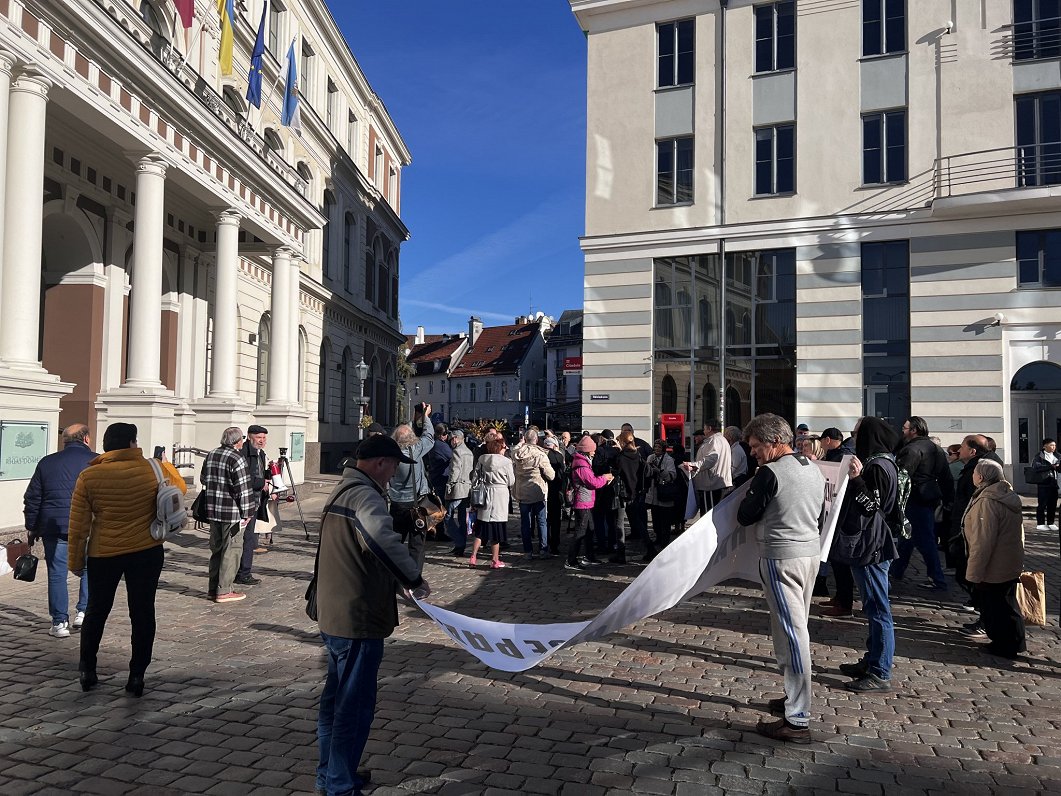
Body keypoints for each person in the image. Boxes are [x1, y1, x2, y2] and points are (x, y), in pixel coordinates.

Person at [315, 435, 430, 796]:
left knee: (335, 703)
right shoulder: (364, 495)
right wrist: (412, 577)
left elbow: (360, 552)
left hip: (335, 612)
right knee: (353, 705)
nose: (395, 474)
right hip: (356, 616)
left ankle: (333, 772)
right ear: (380, 462)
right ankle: (339, 783)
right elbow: (381, 540)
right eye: (394, 466)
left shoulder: (344, 489)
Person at [67, 422, 187, 697]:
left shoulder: (89, 476)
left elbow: (79, 526)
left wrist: (75, 562)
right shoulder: (152, 468)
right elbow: (179, 489)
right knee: (143, 612)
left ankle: (87, 669)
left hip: (104, 553)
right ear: (133, 443)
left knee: (97, 611)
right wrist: (165, 464)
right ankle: (137, 675)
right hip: (145, 551)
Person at [737, 414, 825, 743]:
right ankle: (793, 700)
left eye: (756, 446)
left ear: (775, 442)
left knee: (791, 632)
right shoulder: (811, 467)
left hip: (780, 556)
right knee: (790, 627)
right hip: (808, 553)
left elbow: (746, 516)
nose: (753, 452)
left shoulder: (770, 473)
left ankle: (798, 718)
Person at [831, 417, 900, 692]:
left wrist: (857, 479)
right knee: (872, 607)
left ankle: (880, 671)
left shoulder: (879, 466)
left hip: (871, 545)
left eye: (857, 433)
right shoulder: (881, 461)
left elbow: (872, 506)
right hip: (870, 542)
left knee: (878, 608)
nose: (853, 437)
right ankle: (872, 660)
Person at [23, 423, 95, 638]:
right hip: (89, 526)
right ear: (87, 439)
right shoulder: (96, 461)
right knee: (90, 570)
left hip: (54, 526)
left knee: (57, 574)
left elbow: (33, 498)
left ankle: (59, 623)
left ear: (65, 442)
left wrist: (32, 526)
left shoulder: (47, 463)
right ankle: (83, 612)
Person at [962, 459, 1026, 659]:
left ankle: (1005, 644)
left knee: (998, 606)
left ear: (981, 477)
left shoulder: (988, 500)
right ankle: (1013, 642)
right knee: (1005, 604)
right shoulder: (1003, 493)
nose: (972, 475)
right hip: (1006, 560)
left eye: (974, 472)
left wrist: (974, 572)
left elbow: (983, 540)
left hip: (994, 564)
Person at [891, 416, 953, 592]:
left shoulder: (912, 449)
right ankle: (897, 571)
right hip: (929, 498)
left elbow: (902, 478)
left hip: (915, 499)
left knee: (925, 540)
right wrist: (948, 500)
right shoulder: (936, 449)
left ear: (914, 430)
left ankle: (937, 579)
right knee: (907, 538)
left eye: (904, 427)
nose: (902, 430)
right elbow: (946, 478)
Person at [201, 427, 258, 603]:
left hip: (213, 510)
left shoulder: (211, 454)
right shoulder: (237, 458)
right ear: (237, 441)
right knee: (231, 550)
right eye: (241, 439)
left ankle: (213, 588)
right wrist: (248, 512)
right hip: (231, 513)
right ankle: (224, 590)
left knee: (216, 550)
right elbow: (243, 489)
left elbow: (203, 479)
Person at [388, 404, 435, 567]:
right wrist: (425, 417)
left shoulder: (390, 454)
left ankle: (394, 576)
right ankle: (413, 579)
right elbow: (429, 436)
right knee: (416, 546)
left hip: (396, 504)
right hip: (415, 506)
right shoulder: (415, 451)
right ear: (412, 439)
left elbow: (403, 434)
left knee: (395, 543)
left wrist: (416, 417)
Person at [566, 435, 614, 570]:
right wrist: (604, 478)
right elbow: (592, 482)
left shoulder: (584, 462)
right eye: (592, 450)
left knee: (589, 530)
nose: (594, 452)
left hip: (587, 501)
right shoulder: (582, 465)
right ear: (587, 450)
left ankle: (589, 556)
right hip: (583, 502)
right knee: (581, 531)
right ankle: (571, 560)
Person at [469, 436, 514, 568]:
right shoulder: (506, 462)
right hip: (500, 495)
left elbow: (475, 477)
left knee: (481, 529)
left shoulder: (482, 460)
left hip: (485, 494)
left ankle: (473, 556)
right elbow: (511, 481)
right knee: (497, 529)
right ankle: (495, 559)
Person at [510, 428, 555, 559]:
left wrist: (521, 443)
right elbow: (551, 475)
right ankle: (543, 549)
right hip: (537, 492)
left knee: (525, 523)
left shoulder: (517, 453)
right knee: (542, 522)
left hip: (522, 492)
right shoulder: (540, 454)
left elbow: (514, 450)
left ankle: (527, 551)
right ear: (536, 439)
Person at [236, 424, 271, 587]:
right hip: (245, 502)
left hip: (256, 500)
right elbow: (245, 478)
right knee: (246, 539)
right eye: (259, 438)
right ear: (249, 437)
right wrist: (261, 483)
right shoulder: (243, 453)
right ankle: (243, 572)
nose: (262, 441)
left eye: (264, 438)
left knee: (249, 538)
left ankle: (243, 570)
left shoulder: (261, 453)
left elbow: (261, 474)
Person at [684, 420, 732, 516]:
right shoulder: (722, 440)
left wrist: (694, 465)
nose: (704, 431)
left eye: (705, 429)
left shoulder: (713, 440)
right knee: (716, 515)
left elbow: (711, 458)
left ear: (710, 429)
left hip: (711, 485)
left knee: (708, 515)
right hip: (717, 483)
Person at [613, 430, 646, 564]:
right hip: (635, 493)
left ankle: (621, 554)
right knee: (638, 522)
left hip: (623, 494)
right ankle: (649, 548)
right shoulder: (637, 455)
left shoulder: (621, 457)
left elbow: (617, 472)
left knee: (620, 524)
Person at [643, 439, 677, 560]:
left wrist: (660, 471)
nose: (656, 449)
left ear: (663, 449)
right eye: (655, 447)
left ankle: (665, 540)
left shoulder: (669, 460)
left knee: (665, 520)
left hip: (664, 492)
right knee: (655, 518)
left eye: (659, 448)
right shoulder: (650, 457)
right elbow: (646, 472)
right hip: (653, 493)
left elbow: (672, 475)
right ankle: (657, 537)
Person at [444, 429, 473, 556]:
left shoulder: (457, 452)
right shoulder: (469, 452)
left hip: (457, 489)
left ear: (456, 438)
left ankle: (459, 542)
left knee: (447, 516)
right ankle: (460, 546)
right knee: (462, 519)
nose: (451, 442)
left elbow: (455, 471)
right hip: (467, 488)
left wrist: (450, 485)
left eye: (452, 439)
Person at [542, 436, 567, 557]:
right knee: (556, 520)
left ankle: (544, 543)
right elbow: (562, 474)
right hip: (556, 491)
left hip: (543, 490)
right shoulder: (558, 456)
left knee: (544, 520)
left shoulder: (542, 455)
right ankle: (555, 545)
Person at [1032, 438, 1060, 531]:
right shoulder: (1039, 456)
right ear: (1045, 446)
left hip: (1054, 483)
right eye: (1051, 445)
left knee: (1052, 504)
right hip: (1043, 484)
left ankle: (1050, 523)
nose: (1053, 447)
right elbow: (1036, 468)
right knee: (1042, 505)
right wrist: (1050, 466)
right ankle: (1040, 523)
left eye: (1055, 445)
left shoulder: (1058, 456)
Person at [423, 423, 453, 501]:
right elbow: (453, 457)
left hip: (433, 476)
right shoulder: (442, 445)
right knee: (442, 504)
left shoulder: (431, 443)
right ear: (442, 435)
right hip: (441, 478)